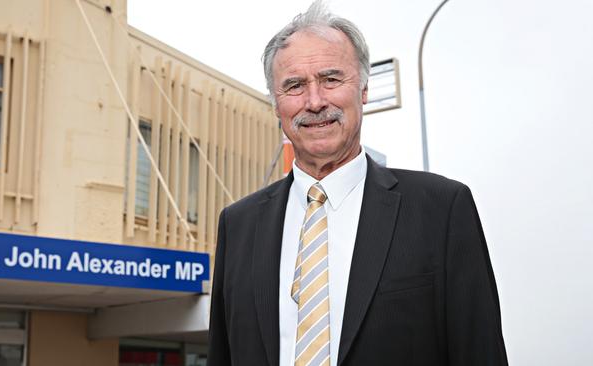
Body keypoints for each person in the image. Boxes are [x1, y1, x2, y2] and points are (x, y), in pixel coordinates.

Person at [208, 1, 508, 365]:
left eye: (331, 79)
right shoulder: (238, 225)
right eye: (295, 86)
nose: (315, 101)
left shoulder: (441, 209)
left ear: (363, 90)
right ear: (275, 104)